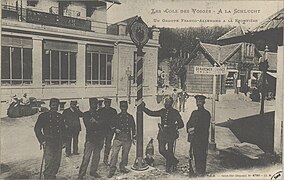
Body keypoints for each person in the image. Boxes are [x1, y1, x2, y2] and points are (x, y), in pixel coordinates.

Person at [142, 96, 184, 172]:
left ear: (171, 103)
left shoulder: (175, 112)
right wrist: (144, 108)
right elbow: (151, 113)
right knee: (161, 150)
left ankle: (169, 166)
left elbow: (181, 124)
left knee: (170, 151)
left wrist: (173, 127)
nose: (166, 104)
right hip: (162, 134)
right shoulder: (162, 111)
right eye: (165, 102)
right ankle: (174, 161)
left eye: (168, 102)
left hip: (171, 134)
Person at [34, 98, 68, 179]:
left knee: (57, 162)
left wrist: (64, 141)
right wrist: (42, 140)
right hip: (48, 142)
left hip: (58, 142)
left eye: (56, 106)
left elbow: (64, 130)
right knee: (49, 163)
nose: (54, 107)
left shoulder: (60, 116)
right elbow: (37, 129)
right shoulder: (43, 116)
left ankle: (53, 177)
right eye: (53, 105)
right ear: (50, 106)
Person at [78, 98, 105, 179]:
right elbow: (88, 126)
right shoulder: (86, 114)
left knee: (96, 157)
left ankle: (93, 171)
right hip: (90, 139)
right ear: (90, 104)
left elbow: (103, 124)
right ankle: (81, 174)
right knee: (86, 157)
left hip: (99, 139)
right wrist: (98, 123)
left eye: (96, 103)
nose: (95, 105)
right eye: (93, 103)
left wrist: (96, 122)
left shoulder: (100, 113)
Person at [108, 101, 136, 178]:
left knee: (125, 154)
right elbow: (111, 125)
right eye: (122, 107)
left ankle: (123, 167)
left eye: (125, 107)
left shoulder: (130, 117)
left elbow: (133, 128)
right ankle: (112, 170)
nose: (124, 109)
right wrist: (115, 129)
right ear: (120, 108)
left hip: (127, 138)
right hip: (118, 138)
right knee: (114, 154)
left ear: (127, 107)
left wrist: (134, 137)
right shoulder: (117, 116)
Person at [186, 95, 211, 177]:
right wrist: (189, 129)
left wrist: (194, 130)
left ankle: (202, 172)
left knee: (202, 154)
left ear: (203, 102)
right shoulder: (194, 113)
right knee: (195, 154)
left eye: (200, 102)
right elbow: (189, 123)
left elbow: (204, 127)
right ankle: (197, 171)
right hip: (194, 138)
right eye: (197, 102)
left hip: (202, 138)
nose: (198, 103)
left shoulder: (206, 114)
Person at [98, 98, 118, 166]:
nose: (107, 104)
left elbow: (116, 120)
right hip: (101, 131)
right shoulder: (100, 111)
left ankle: (105, 159)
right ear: (104, 103)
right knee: (100, 145)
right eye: (106, 103)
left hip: (109, 131)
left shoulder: (113, 111)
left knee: (108, 145)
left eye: (108, 103)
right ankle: (97, 158)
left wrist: (114, 127)